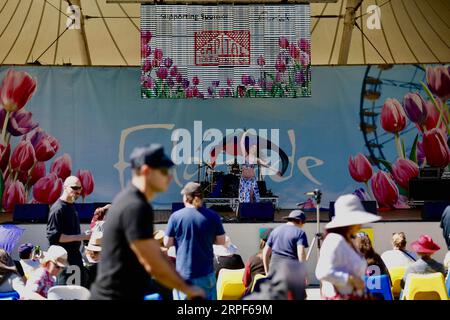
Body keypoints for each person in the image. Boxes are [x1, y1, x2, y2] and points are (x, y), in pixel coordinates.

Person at [90, 144, 204, 300]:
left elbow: (154, 254)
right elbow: (153, 263)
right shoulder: (135, 206)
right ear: (145, 171)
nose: (170, 177)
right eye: (164, 171)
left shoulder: (133, 201)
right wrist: (189, 290)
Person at [164, 181, 226, 300]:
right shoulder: (213, 216)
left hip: (183, 275)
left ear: (187, 197)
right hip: (206, 275)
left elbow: (167, 243)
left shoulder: (176, 217)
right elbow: (222, 241)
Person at [315, 194, 381, 300]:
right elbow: (322, 272)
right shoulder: (335, 240)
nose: (361, 224)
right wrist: (351, 279)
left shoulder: (348, 241)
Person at [46, 175, 91, 286]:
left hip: (74, 258)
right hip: (63, 261)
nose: (78, 191)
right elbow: (55, 237)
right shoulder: (58, 208)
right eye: (74, 188)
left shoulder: (70, 206)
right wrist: (82, 236)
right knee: (66, 294)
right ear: (65, 187)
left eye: (80, 188)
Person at [238, 132, 281, 203]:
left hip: (252, 180)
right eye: (252, 147)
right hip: (244, 180)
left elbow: (267, 165)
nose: (253, 149)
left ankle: (253, 209)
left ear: (256, 150)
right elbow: (241, 143)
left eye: (255, 148)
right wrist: (244, 134)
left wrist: (276, 171)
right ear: (250, 148)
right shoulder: (245, 155)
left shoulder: (256, 159)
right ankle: (246, 210)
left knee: (252, 195)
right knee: (245, 197)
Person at [262, 210, 308, 275]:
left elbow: (265, 252)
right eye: (303, 224)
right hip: (290, 271)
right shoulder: (300, 232)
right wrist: (304, 274)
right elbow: (301, 253)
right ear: (300, 221)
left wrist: (267, 272)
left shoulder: (275, 231)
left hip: (274, 271)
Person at [243, 228, 273, 294]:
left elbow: (245, 282)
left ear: (262, 241)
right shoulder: (282, 261)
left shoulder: (252, 259)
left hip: (254, 294)